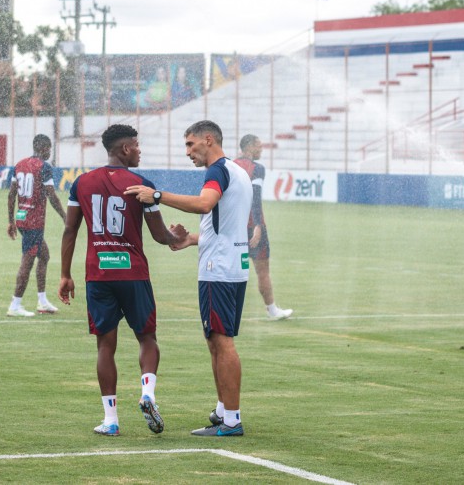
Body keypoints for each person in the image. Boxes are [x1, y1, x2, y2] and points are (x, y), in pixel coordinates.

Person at [58, 124, 187, 436]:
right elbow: (159, 236)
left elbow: (70, 230)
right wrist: (177, 237)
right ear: (125, 149)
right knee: (147, 338)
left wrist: (65, 274)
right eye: (137, 145)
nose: (140, 150)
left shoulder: (82, 184)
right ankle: (147, 394)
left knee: (106, 345)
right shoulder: (141, 185)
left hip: (98, 275)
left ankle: (111, 420)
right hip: (133, 273)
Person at [126, 120, 252, 437]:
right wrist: (194, 238)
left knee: (222, 341)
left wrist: (157, 195)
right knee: (216, 340)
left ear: (208, 140)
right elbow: (230, 224)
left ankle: (232, 420)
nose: (188, 152)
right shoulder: (238, 171)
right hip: (233, 264)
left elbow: (205, 203)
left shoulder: (217, 171)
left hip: (217, 270)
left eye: (190, 144)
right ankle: (224, 409)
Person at [7, 134, 67, 317]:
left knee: (44, 255)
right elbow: (51, 195)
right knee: (27, 261)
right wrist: (65, 217)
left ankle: (42, 302)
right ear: (45, 148)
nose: (50, 152)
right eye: (49, 149)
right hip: (34, 221)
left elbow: (11, 195)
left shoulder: (20, 164)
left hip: (22, 216)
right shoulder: (44, 167)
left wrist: (11, 221)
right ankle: (15, 305)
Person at [234, 134, 293, 319]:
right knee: (262, 270)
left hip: (233, 227)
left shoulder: (230, 165)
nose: (261, 149)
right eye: (259, 146)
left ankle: (230, 311)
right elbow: (255, 196)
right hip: (252, 226)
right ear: (250, 147)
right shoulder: (256, 168)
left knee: (236, 269)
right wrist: (258, 225)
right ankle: (272, 310)